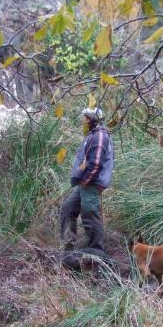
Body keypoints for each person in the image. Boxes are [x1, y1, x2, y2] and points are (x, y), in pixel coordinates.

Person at [60, 107, 114, 251]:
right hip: (85, 183)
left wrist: (86, 180)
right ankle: (68, 247)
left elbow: (95, 164)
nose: (83, 121)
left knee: (90, 215)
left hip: (91, 183)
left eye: (85, 118)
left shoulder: (100, 136)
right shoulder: (93, 134)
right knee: (68, 208)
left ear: (91, 119)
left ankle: (96, 253)